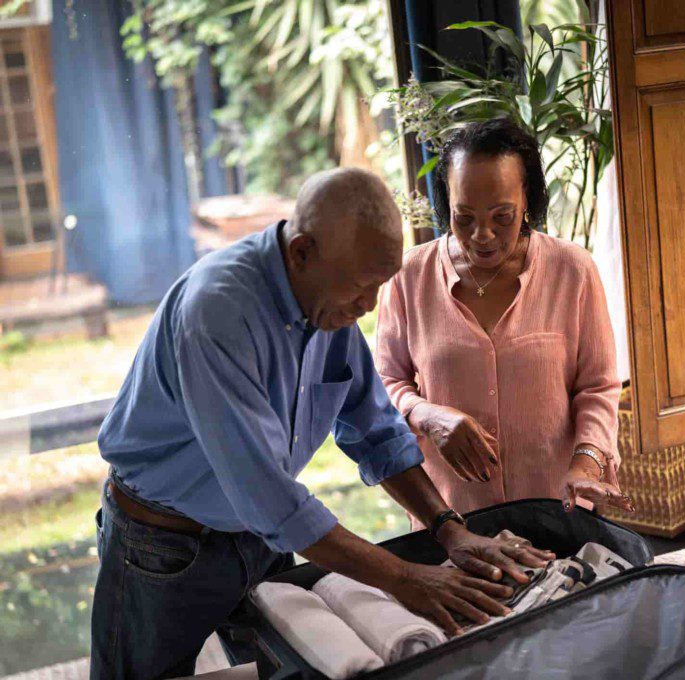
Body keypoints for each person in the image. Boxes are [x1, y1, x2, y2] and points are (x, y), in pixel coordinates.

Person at [91, 167, 554, 679]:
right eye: (361, 288)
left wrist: (449, 531)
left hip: (260, 539)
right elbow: (272, 500)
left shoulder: (329, 303)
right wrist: (404, 578)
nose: (368, 306)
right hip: (163, 546)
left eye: (379, 287)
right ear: (302, 252)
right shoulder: (217, 312)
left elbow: (376, 432)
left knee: (291, 665)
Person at [375, 120, 634, 529]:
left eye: (502, 217)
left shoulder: (572, 270)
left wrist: (587, 462)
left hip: (556, 512)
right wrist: (427, 415)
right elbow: (385, 384)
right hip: (451, 520)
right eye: (464, 217)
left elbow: (598, 386)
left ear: (527, 198)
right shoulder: (410, 276)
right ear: (447, 204)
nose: (482, 235)